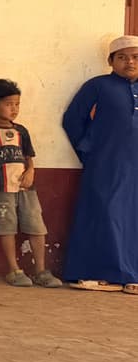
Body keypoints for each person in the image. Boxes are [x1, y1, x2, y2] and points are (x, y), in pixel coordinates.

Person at [61, 35, 138, 292]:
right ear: (111, 61)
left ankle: (131, 275)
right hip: (106, 162)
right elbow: (73, 119)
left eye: (136, 57)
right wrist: (88, 150)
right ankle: (103, 273)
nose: (130, 62)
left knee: (132, 217)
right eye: (122, 57)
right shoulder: (98, 85)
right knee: (106, 212)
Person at [0, 79, 61, 288]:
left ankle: (40, 271)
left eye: (17, 104)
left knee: (37, 226)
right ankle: (14, 270)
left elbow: (29, 156)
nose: (14, 109)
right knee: (6, 227)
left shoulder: (22, 131)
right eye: (9, 104)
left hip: (26, 189)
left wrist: (31, 171)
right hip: (0, 189)